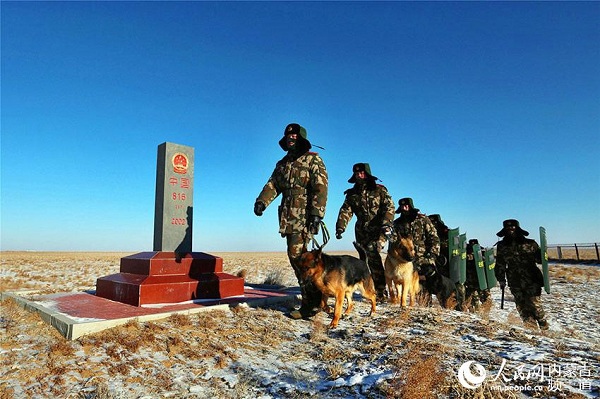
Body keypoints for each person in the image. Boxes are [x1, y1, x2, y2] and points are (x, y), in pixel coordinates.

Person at [254, 123, 328, 319]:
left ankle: (310, 304)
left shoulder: (313, 160)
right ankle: (316, 299)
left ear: (301, 138)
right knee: (298, 259)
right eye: (288, 135)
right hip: (288, 217)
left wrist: (316, 215)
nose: (291, 138)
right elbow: (273, 185)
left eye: (295, 135)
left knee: (301, 260)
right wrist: (262, 201)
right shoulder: (282, 164)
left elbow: (320, 188)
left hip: (304, 216)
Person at [335, 163, 395, 301]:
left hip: (378, 229)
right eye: (357, 173)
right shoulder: (352, 194)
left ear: (367, 174)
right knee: (364, 261)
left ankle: (380, 292)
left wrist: (386, 224)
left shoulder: (379, 190)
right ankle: (368, 288)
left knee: (373, 256)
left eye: (362, 173)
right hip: (361, 230)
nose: (359, 175)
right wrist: (340, 226)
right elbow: (346, 211)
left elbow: (389, 207)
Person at [494, 219, 549, 330]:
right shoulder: (502, 246)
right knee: (522, 306)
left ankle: (544, 327)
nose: (511, 230)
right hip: (514, 280)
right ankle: (531, 329)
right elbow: (500, 263)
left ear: (518, 228)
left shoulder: (530, 243)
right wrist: (501, 279)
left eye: (513, 227)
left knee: (535, 304)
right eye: (508, 228)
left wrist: (543, 254)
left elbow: (540, 260)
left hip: (532, 278)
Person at [464, 238, 491, 311]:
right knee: (472, 298)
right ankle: (474, 312)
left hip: (481, 279)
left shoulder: (481, 251)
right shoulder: (466, 252)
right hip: (470, 279)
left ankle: (485, 312)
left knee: (485, 297)